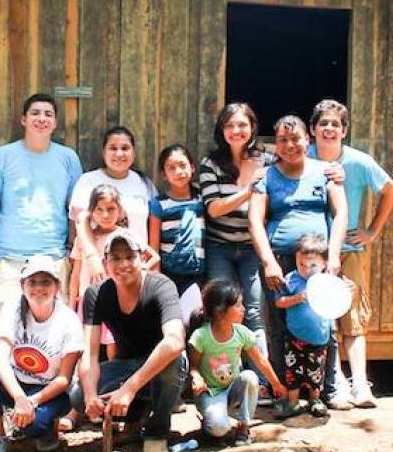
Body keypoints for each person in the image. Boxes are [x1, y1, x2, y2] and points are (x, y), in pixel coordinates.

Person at [247, 114, 348, 416]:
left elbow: (341, 213)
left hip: (319, 261)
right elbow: (254, 219)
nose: (290, 145)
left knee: (324, 323)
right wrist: (268, 262)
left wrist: (334, 254)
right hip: (280, 260)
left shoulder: (327, 173)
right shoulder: (266, 177)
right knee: (280, 328)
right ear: (274, 144)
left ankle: (327, 390)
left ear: (308, 139)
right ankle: (283, 394)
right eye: (282, 140)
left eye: (296, 139)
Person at [308, 99, 393, 409]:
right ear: (312, 130)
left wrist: (372, 230)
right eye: (323, 124)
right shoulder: (303, 159)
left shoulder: (359, 162)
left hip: (349, 250)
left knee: (353, 318)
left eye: (335, 124)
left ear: (344, 130)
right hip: (313, 254)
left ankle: (360, 383)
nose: (329, 129)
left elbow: (390, 189)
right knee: (323, 320)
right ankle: (337, 383)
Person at [69, 232, 187, 452]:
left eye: (129, 257)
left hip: (159, 365)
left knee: (173, 362)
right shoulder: (96, 293)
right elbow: (90, 353)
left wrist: (130, 388)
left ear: (142, 259)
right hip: (125, 365)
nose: (123, 264)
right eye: (115, 258)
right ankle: (133, 419)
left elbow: (174, 341)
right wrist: (92, 394)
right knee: (78, 395)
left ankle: (157, 431)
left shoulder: (161, 286)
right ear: (105, 263)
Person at [0, 93, 83, 335]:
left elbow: (75, 210)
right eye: (35, 113)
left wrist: (73, 250)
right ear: (23, 119)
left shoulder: (68, 158)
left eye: (48, 114)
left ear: (56, 122)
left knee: (55, 329)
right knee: (3, 326)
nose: (41, 118)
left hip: (54, 257)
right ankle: (5, 372)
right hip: (10, 258)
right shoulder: (2, 157)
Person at [0, 256, 84, 452]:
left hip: (50, 390)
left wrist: (33, 401)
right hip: (16, 382)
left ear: (57, 286)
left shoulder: (68, 321)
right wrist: (20, 398)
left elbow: (64, 378)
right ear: (22, 286)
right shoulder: (13, 309)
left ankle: (46, 427)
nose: (39, 288)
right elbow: (0, 359)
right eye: (32, 282)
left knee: (34, 426)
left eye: (46, 282)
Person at [198, 104, 277, 400]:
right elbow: (214, 209)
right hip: (219, 246)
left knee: (253, 312)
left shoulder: (268, 159)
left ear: (253, 127)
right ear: (222, 130)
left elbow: (299, 166)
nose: (237, 131)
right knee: (220, 310)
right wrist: (248, 191)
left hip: (252, 248)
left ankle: (260, 383)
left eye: (243, 125)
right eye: (230, 125)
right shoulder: (211, 164)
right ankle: (219, 379)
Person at [189, 279, 285, 445]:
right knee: (219, 429)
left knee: (249, 377)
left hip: (232, 389)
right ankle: (210, 423)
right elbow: (193, 366)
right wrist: (196, 377)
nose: (243, 309)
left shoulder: (242, 333)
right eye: (238, 305)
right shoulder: (201, 336)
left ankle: (244, 426)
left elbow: (261, 360)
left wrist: (276, 384)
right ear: (220, 312)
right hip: (210, 393)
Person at [71, 126, 156, 284]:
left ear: (133, 152)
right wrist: (92, 258)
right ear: (104, 152)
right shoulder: (88, 181)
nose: (119, 153)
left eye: (125, 148)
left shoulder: (143, 183)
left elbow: (153, 226)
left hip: (134, 270)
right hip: (98, 270)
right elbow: (80, 221)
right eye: (113, 148)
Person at [273, 234, 335, 418]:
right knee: (293, 371)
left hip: (319, 336)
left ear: (324, 263)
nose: (306, 269)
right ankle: (292, 403)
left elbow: (338, 301)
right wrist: (298, 298)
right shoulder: (291, 279)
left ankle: (315, 400)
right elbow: (279, 302)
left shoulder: (327, 282)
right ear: (295, 261)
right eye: (301, 264)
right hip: (294, 336)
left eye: (313, 265)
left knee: (316, 371)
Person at [149, 144, 206, 328]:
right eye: (171, 168)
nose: (178, 171)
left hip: (196, 275)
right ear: (164, 174)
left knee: (194, 319)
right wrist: (156, 282)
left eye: (183, 165)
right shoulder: (159, 205)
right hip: (169, 275)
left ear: (192, 167)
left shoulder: (202, 200)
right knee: (170, 324)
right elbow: (153, 246)